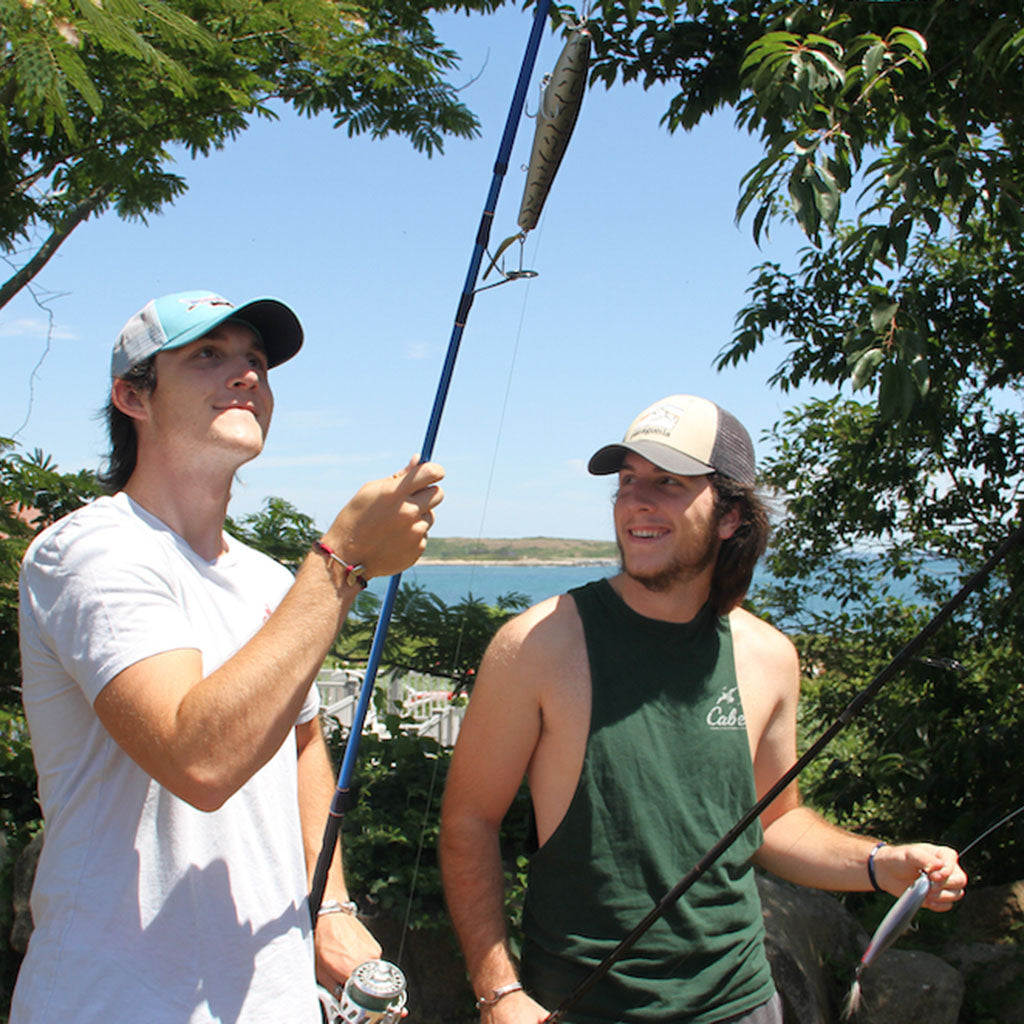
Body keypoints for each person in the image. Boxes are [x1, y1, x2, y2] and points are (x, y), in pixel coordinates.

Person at [439, 393, 967, 1024]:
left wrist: (882, 864)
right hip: (580, 1006)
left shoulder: (769, 656)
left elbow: (775, 825)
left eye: (668, 482)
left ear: (730, 515)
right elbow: (469, 820)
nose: (637, 500)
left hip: (744, 1002)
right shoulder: (537, 645)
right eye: (627, 480)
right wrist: (498, 992)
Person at [13, 289, 444, 1023]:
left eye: (256, 361)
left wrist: (329, 907)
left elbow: (301, 741)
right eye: (207, 355)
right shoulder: (90, 550)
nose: (246, 374)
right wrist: (342, 562)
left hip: (272, 992)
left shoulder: (271, 581)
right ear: (132, 396)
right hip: (115, 999)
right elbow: (200, 762)